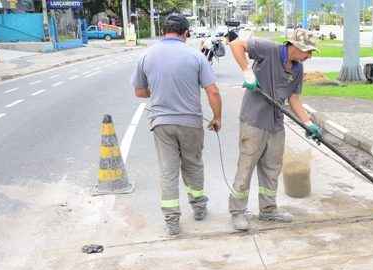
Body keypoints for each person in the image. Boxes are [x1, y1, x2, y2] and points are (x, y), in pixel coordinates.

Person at [131, 15, 223, 236]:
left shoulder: (146, 55)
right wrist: (217, 117)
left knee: (168, 170)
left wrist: (160, 91)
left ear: (164, 31)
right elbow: (213, 91)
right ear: (186, 32)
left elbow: (140, 92)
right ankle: (199, 208)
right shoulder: (196, 56)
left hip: (162, 123)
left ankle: (172, 222)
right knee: (193, 165)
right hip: (191, 123)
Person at [226, 29, 322, 231]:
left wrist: (308, 123)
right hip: (254, 120)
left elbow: (294, 98)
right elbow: (236, 45)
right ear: (295, 46)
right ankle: (237, 212)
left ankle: (268, 210)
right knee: (246, 167)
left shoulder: (297, 69)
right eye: (308, 51)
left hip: (276, 123)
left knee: (272, 168)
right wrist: (247, 72)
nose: (309, 56)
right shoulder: (268, 49)